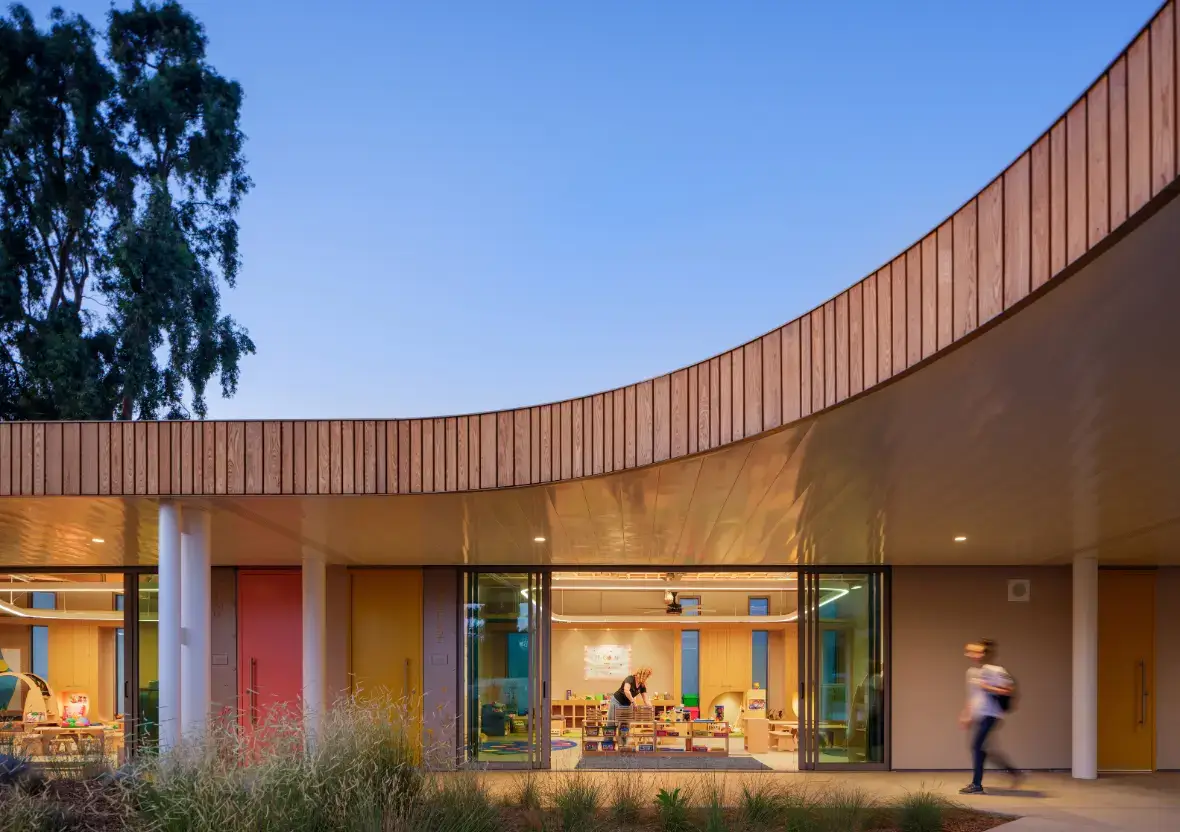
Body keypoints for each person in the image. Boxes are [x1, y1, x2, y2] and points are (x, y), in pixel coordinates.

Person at [959, 639, 1022, 794]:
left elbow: (1008, 689)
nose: (972, 654)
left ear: (985, 654)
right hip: (979, 715)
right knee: (982, 748)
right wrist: (966, 714)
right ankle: (1013, 772)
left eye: (977, 651)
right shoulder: (971, 672)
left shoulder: (995, 670)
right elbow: (973, 696)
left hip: (991, 714)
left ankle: (976, 784)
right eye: (970, 651)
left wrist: (988, 687)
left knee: (977, 747)